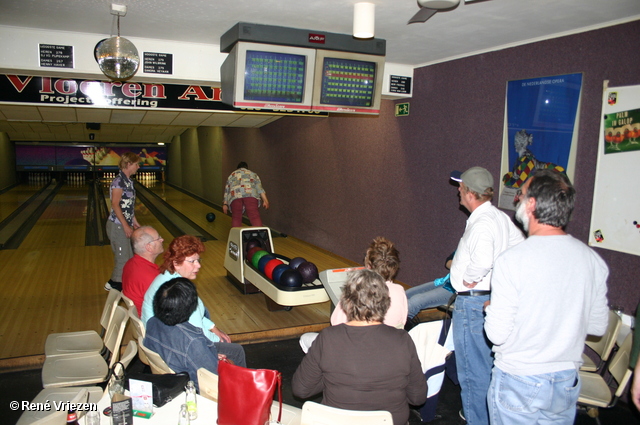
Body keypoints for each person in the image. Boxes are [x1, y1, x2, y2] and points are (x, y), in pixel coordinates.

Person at [485, 169, 609, 425]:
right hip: (565, 381)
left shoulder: (512, 260)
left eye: (521, 194)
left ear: (532, 204)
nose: (517, 199)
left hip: (519, 379)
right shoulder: (592, 260)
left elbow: (496, 334)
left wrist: (492, 310)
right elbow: (597, 326)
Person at [292, 269, 426, 425]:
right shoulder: (403, 340)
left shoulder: (327, 338)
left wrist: (333, 378)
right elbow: (417, 397)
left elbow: (301, 389)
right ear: (385, 303)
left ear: (346, 302)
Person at [448, 166, 525, 425]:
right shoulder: (500, 217)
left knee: (472, 374)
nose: (457, 190)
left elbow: (482, 259)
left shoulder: (481, 223)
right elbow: (519, 248)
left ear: (470, 193)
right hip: (489, 300)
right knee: (485, 369)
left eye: (461, 186)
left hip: (472, 303)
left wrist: (469, 278)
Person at [299, 236, 408, 353]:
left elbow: (336, 323)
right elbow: (402, 322)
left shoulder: (356, 291)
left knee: (305, 339)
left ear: (369, 266)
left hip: (353, 353)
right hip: (386, 351)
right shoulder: (399, 291)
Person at [144, 277, 246, 389]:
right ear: (191, 308)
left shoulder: (152, 322)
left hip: (173, 368)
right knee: (235, 359)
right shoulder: (193, 340)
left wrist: (209, 356)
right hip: (197, 387)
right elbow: (213, 378)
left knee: (235, 350)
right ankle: (243, 391)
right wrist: (227, 362)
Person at [142, 235, 231, 345]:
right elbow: (198, 331)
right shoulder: (177, 292)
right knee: (235, 351)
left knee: (204, 310)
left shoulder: (167, 276)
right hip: (168, 343)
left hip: (157, 335)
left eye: (198, 260)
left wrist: (213, 328)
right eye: (192, 261)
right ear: (176, 263)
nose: (198, 265)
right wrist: (220, 341)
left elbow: (197, 314)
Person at [105, 151, 141, 291]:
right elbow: (115, 204)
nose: (138, 167)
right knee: (123, 259)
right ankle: (116, 288)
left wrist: (133, 220)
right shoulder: (118, 182)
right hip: (117, 226)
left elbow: (127, 205)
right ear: (128, 164)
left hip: (124, 224)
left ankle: (112, 283)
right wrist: (126, 225)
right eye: (136, 164)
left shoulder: (129, 182)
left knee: (129, 256)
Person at [122, 226, 164, 315]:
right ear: (149, 247)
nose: (162, 240)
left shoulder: (131, 263)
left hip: (143, 314)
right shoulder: (149, 276)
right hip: (152, 320)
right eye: (158, 238)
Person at [405, 251, 456, 320]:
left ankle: (398, 327)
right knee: (405, 295)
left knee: (415, 302)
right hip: (447, 280)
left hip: (459, 289)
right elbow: (448, 262)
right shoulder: (465, 243)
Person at [222, 162, 270, 227]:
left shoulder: (232, 175)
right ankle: (259, 236)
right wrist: (265, 200)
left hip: (235, 196)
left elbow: (227, 191)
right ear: (246, 168)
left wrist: (225, 204)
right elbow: (260, 188)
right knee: (254, 217)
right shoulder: (253, 174)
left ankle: (237, 237)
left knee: (236, 218)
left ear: (238, 168)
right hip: (250, 195)